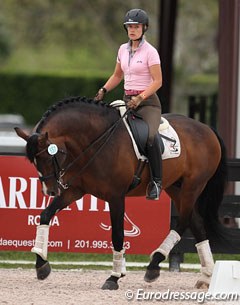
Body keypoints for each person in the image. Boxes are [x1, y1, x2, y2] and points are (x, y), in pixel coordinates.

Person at [94, 8, 163, 200]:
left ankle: (156, 182)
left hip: (147, 103)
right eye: (129, 26)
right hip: (127, 100)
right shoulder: (122, 50)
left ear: (144, 28)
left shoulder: (151, 52)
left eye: (136, 26)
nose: (132, 30)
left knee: (150, 136)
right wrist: (104, 90)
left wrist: (140, 97)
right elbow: (117, 75)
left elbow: (158, 81)